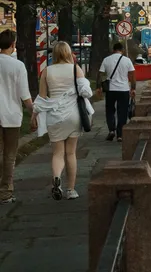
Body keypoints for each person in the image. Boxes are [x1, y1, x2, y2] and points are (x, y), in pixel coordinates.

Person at [31, 41, 91, 200]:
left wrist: (33, 115)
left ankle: (56, 178)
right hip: (73, 114)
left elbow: (42, 97)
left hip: (54, 116)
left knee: (57, 153)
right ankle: (71, 190)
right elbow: (86, 91)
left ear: (55, 54)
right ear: (68, 53)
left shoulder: (46, 71)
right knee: (71, 153)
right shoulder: (75, 69)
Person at [0, 29, 32, 204]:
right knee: (10, 155)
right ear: (12, 45)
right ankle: (5, 191)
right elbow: (24, 94)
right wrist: (33, 113)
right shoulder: (17, 65)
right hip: (12, 116)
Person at [99, 42, 135, 142]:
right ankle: (120, 135)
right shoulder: (127, 60)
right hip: (123, 89)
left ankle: (111, 130)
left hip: (110, 90)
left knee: (110, 110)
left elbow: (101, 74)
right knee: (122, 112)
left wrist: (99, 86)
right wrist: (133, 88)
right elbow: (132, 75)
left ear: (113, 50)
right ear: (122, 50)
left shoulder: (106, 60)